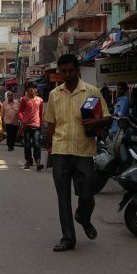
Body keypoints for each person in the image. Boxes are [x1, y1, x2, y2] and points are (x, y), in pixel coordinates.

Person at [43, 53, 111, 252]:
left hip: (83, 151)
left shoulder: (92, 92)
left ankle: (83, 216)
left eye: (70, 70)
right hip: (61, 150)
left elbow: (107, 118)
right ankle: (68, 238)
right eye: (63, 71)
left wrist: (96, 121)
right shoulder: (54, 95)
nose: (67, 74)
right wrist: (49, 151)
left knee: (88, 193)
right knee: (62, 197)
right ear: (60, 72)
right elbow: (51, 125)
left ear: (77, 70)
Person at [18, 81, 44, 170]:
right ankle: (28, 161)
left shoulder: (40, 100)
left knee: (37, 144)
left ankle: (38, 162)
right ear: (27, 89)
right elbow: (20, 112)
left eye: (33, 87)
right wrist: (22, 120)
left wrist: (41, 124)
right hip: (27, 125)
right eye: (30, 87)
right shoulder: (24, 99)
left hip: (37, 125)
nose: (31, 89)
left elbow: (40, 113)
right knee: (27, 144)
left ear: (36, 89)